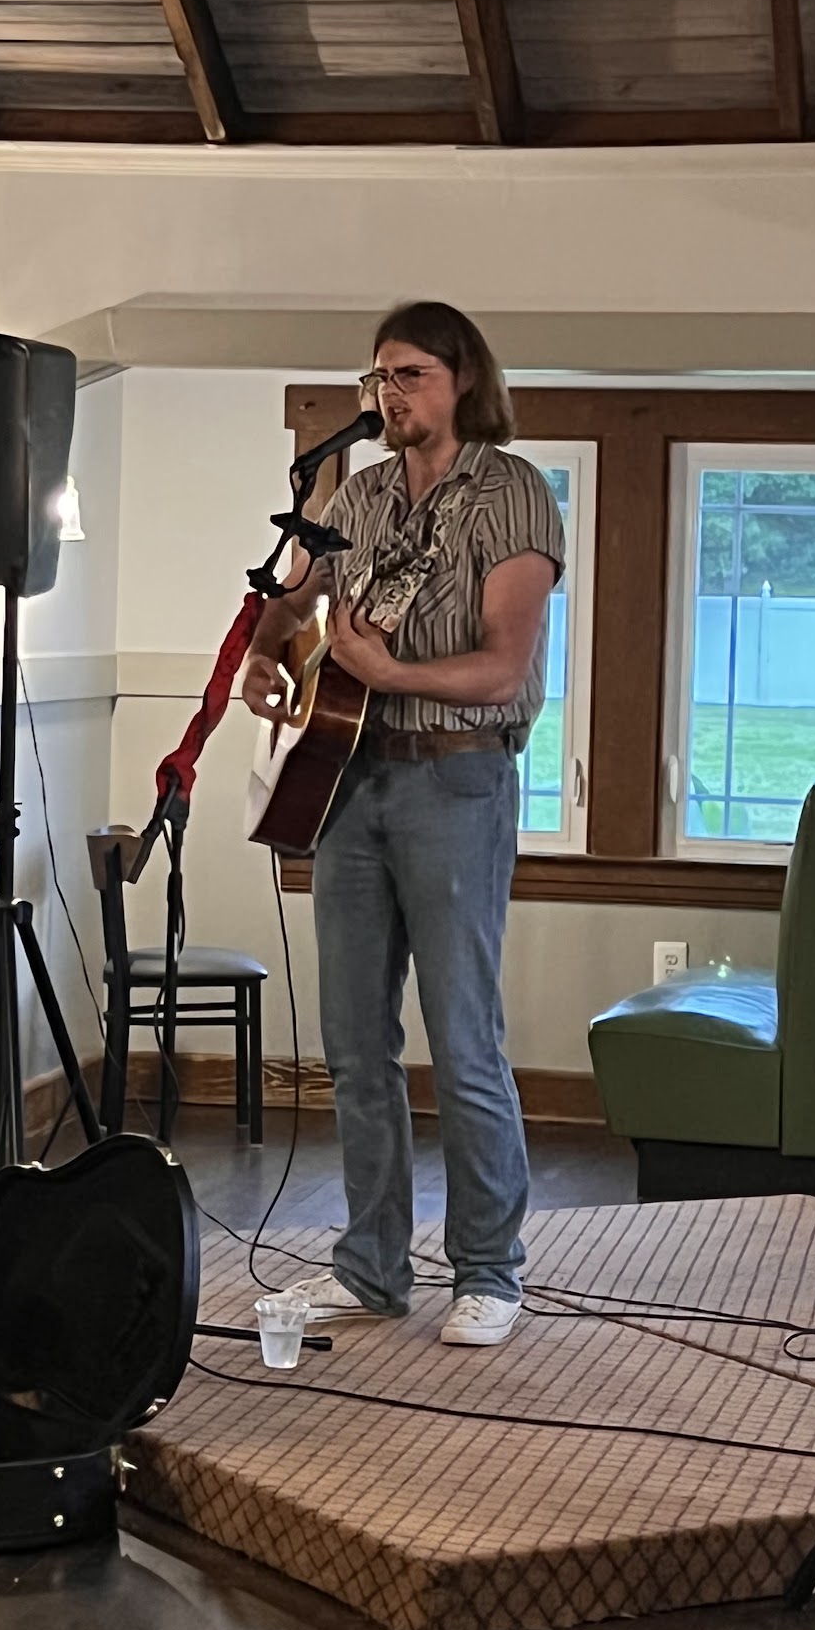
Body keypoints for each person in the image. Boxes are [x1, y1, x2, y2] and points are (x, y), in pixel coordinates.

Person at [242, 302, 563, 1346]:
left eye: (411, 374)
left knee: (462, 1037)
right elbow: (296, 598)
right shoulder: (359, 493)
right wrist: (266, 652)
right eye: (380, 376)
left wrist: (390, 671)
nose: (391, 393)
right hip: (348, 778)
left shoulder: (513, 493)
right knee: (353, 1041)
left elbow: (503, 668)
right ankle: (371, 1265)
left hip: (456, 781)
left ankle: (489, 1270)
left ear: (463, 379)